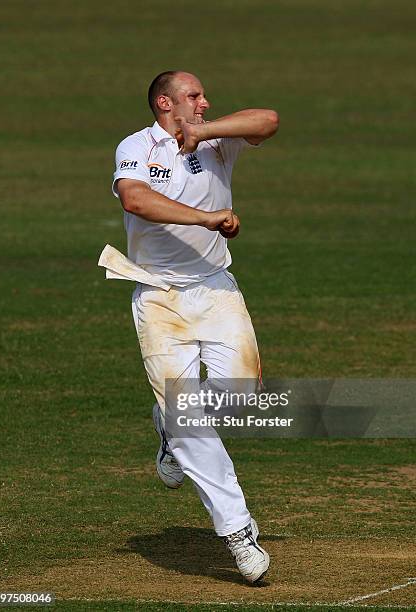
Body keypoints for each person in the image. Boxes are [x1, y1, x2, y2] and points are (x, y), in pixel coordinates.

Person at [111, 71, 279, 583]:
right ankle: (237, 531)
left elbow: (268, 121)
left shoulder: (215, 139)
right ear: (165, 102)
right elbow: (134, 199)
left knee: (242, 397)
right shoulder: (137, 146)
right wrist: (204, 219)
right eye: (193, 97)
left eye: (204, 95)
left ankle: (167, 430)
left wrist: (204, 134)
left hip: (215, 288)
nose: (204, 102)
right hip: (159, 296)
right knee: (189, 421)